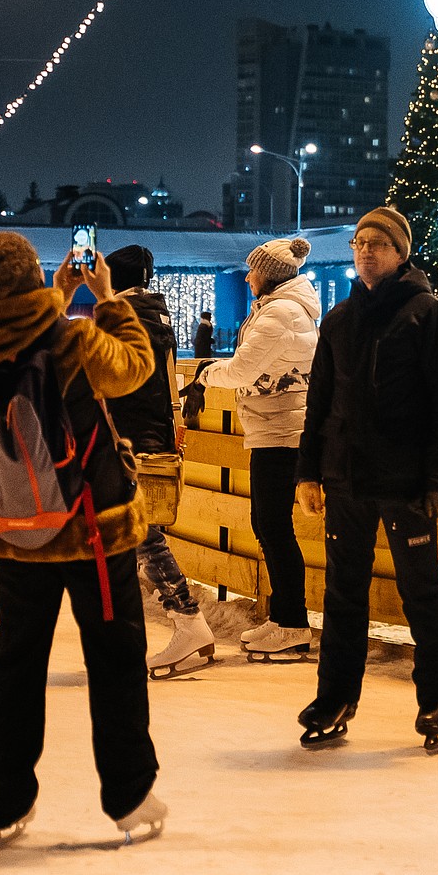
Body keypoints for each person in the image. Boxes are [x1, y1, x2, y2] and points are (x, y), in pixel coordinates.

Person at [0, 232, 165, 843]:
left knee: (16, 660)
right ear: (31, 277)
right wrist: (105, 298)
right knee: (114, 657)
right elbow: (134, 369)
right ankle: (128, 795)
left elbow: (17, 340)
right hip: (92, 529)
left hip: (14, 535)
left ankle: (5, 798)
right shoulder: (70, 337)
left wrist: (53, 294)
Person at [295, 206, 438, 754]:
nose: (366, 250)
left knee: (422, 591)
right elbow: (318, 401)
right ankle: (335, 697)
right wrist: (308, 473)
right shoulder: (339, 320)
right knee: (342, 594)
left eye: (379, 243)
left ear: (401, 253)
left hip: (406, 480)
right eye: (360, 242)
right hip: (345, 477)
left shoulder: (426, 314)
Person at [187, 237, 320, 661]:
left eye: (253, 271)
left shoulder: (280, 312)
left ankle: (293, 624)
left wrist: (206, 373)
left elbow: (243, 367)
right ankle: (284, 619)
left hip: (282, 431)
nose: (247, 277)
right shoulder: (282, 308)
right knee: (268, 526)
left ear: (271, 275)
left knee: (274, 529)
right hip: (275, 427)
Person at [105, 245, 215, 678]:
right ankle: (122, 633)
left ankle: (189, 623)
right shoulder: (157, 317)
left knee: (142, 537)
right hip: (146, 438)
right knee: (126, 538)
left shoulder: (125, 319)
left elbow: (110, 384)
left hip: (128, 442)